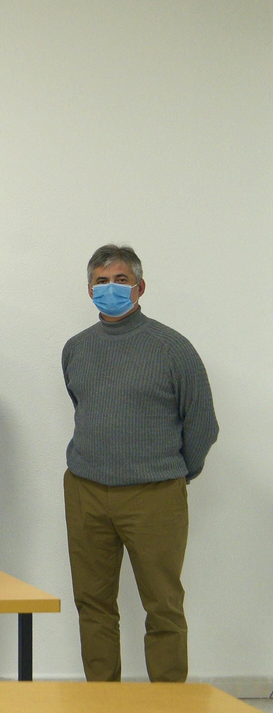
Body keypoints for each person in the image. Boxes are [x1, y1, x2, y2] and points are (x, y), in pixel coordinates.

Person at [63, 244, 217, 683]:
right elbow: (84, 405)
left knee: (163, 604)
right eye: (101, 281)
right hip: (85, 490)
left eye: (120, 280)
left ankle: (167, 709)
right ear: (89, 289)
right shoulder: (76, 348)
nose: (110, 289)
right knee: (92, 603)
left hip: (155, 494)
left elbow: (202, 424)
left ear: (140, 287)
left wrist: (169, 472)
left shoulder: (172, 348)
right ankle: (103, 701)